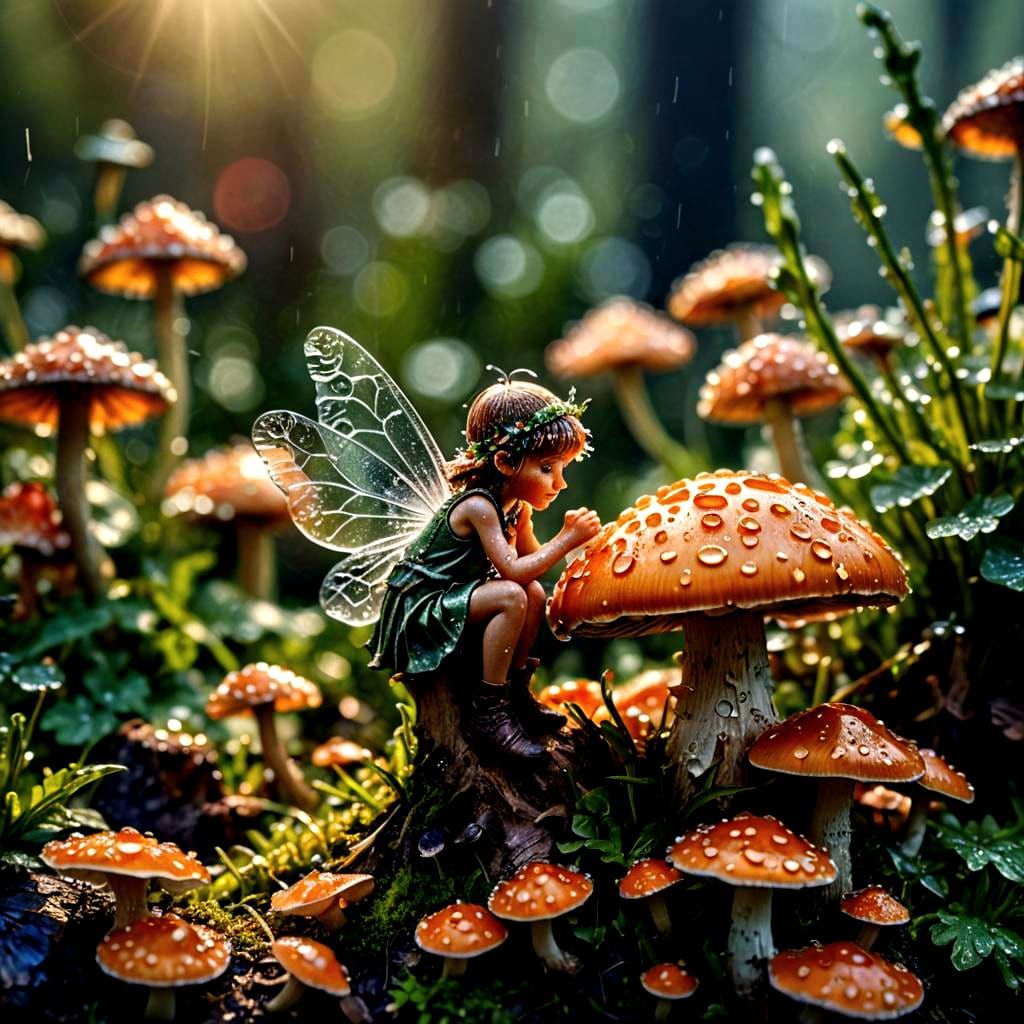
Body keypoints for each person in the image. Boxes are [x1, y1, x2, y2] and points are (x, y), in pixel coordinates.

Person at [367, 373, 601, 760]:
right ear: (505, 462)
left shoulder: (516, 507)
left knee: (533, 593)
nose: (559, 483)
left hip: (458, 597)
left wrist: (570, 548)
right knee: (512, 595)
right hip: (421, 605)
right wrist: (567, 539)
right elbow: (512, 571)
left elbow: (532, 566)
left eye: (564, 469)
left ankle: (515, 692)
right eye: (547, 468)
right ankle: (488, 714)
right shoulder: (478, 506)